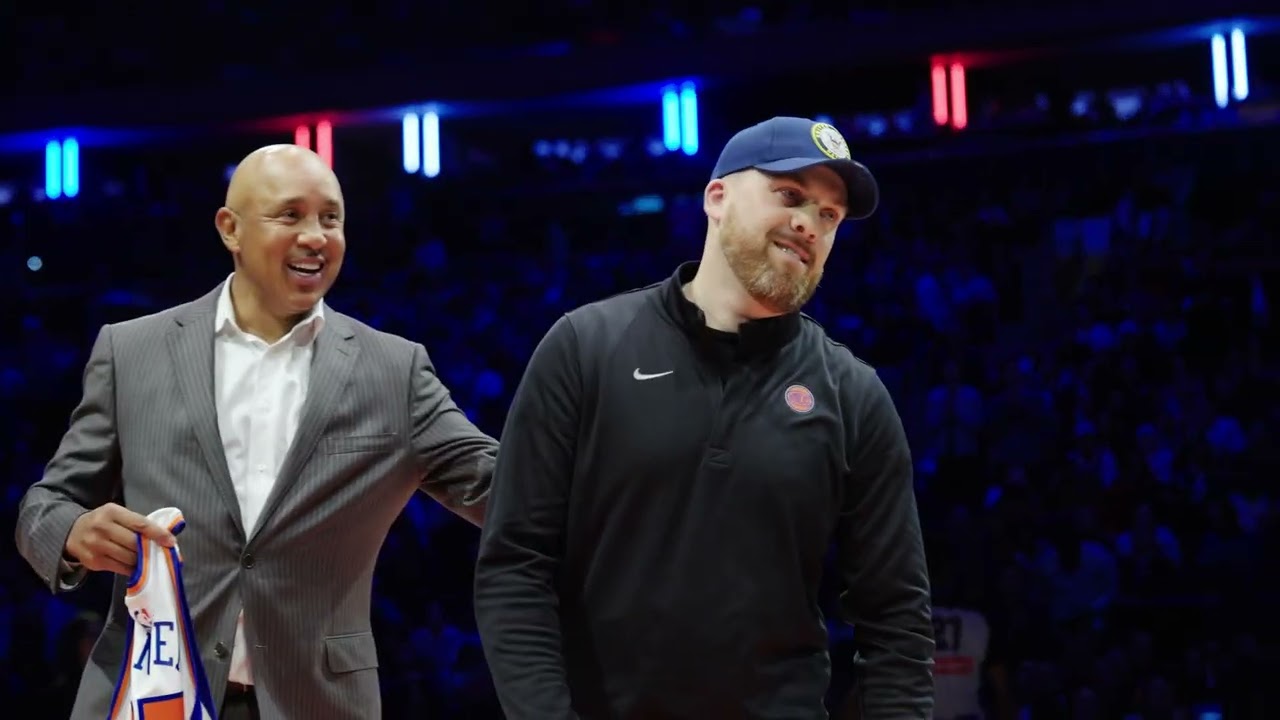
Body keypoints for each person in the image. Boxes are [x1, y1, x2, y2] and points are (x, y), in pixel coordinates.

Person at [14, 144, 498, 720]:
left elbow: (507, 488)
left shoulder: (394, 370)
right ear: (231, 229)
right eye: (290, 215)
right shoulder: (131, 351)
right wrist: (73, 532)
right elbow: (44, 505)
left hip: (316, 703)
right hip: (148, 697)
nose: (317, 235)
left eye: (331, 217)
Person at [474, 116, 935, 719]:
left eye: (830, 216)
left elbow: (896, 621)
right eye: (790, 196)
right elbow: (516, 564)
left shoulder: (854, 395)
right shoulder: (586, 347)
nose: (809, 225)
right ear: (716, 198)